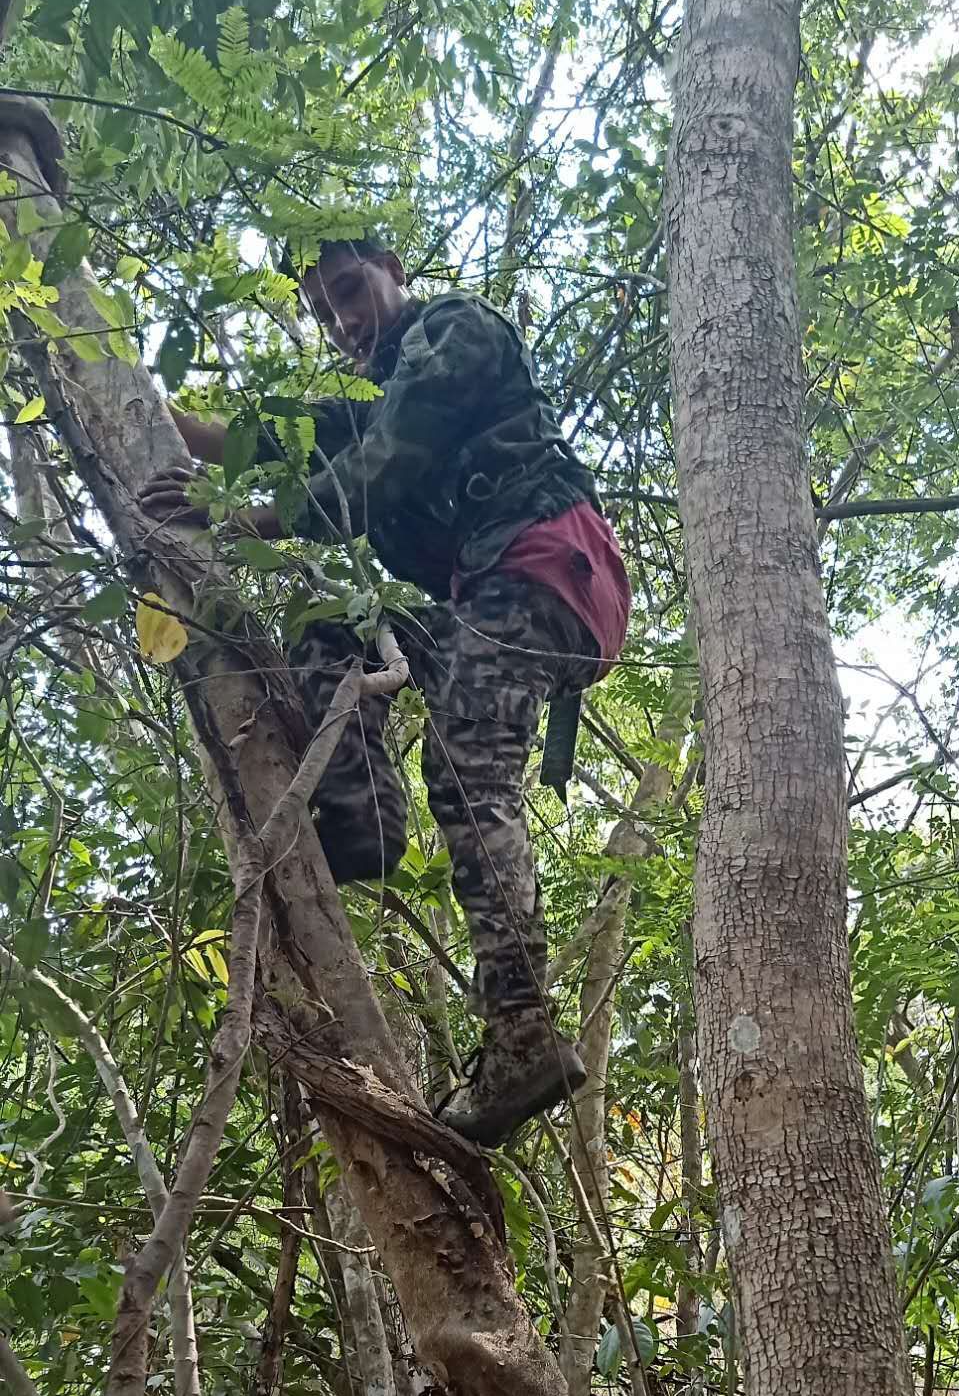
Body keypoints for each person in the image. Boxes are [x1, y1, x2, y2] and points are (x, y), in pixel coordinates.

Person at [139, 238, 631, 1149]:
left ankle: (524, 1032)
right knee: (333, 620)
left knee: (470, 775)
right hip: (481, 594)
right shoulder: (374, 386)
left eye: (351, 292)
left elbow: (382, 472)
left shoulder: (454, 332)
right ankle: (362, 812)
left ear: (392, 269)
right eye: (326, 312)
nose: (345, 320)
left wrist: (232, 515)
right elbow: (263, 434)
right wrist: (126, 393)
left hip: (544, 570)